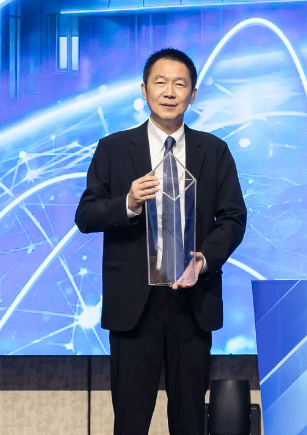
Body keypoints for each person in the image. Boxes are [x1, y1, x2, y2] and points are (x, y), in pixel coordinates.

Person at [75, 48, 247, 435]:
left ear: (193, 94)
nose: (169, 92)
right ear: (144, 90)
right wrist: (128, 202)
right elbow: (86, 216)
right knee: (130, 421)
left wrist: (204, 260)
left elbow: (234, 218)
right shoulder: (113, 149)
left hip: (191, 301)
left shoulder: (214, 151)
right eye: (160, 82)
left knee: (190, 421)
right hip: (133, 306)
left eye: (180, 84)